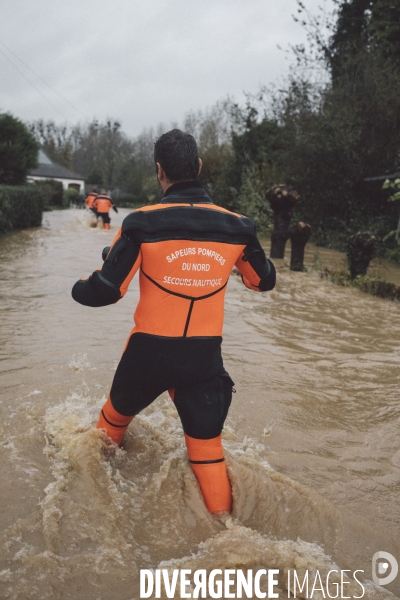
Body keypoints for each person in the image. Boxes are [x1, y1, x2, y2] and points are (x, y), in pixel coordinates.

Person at [71, 129, 276, 515]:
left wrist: (77, 286)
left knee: (110, 425)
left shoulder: (141, 223)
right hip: (203, 360)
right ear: (198, 167)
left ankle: (90, 503)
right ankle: (225, 536)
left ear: (159, 171)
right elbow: (262, 281)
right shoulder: (238, 226)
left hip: (147, 354)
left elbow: (104, 291)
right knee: (207, 454)